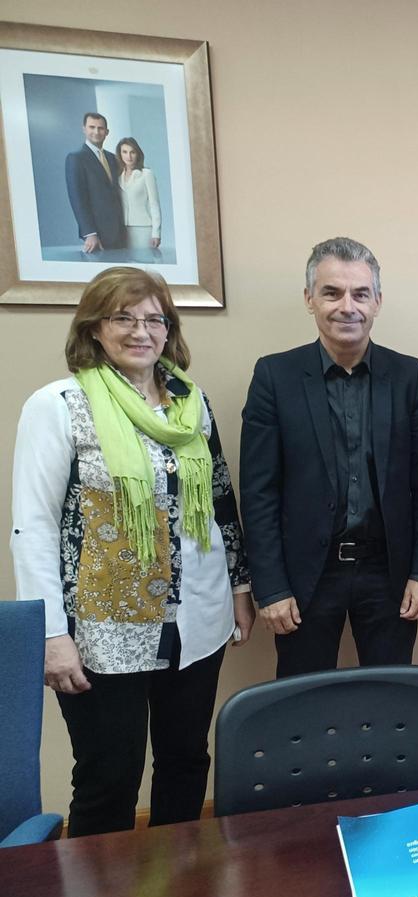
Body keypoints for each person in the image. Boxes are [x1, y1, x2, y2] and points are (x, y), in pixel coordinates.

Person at [11, 267, 254, 836]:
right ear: (95, 326)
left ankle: (179, 880)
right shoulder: (58, 405)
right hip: (102, 631)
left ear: (169, 329)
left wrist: (240, 588)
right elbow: (34, 526)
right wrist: (50, 635)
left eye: (154, 318)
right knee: (109, 776)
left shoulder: (192, 405)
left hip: (197, 620)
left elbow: (221, 501)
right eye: (124, 317)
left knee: (187, 762)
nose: (141, 330)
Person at [240, 237, 418, 677]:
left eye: (360, 294)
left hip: (388, 572)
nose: (346, 306)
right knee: (302, 701)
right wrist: (271, 587)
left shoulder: (409, 376)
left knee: (390, 696)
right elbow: (259, 493)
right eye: (332, 292)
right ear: (310, 299)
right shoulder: (275, 376)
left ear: (378, 302)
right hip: (305, 576)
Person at [64, 113, 126, 253]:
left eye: (101, 128)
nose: (96, 132)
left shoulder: (113, 158)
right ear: (84, 129)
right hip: (98, 233)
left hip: (120, 232)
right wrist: (90, 233)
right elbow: (77, 198)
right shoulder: (76, 158)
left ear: (107, 132)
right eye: (92, 127)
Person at [115, 138, 162, 251]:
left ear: (138, 154)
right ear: (120, 154)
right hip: (123, 229)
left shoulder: (146, 174)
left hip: (143, 228)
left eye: (132, 152)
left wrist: (156, 232)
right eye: (125, 152)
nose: (129, 156)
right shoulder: (118, 176)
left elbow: (154, 204)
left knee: (144, 261)